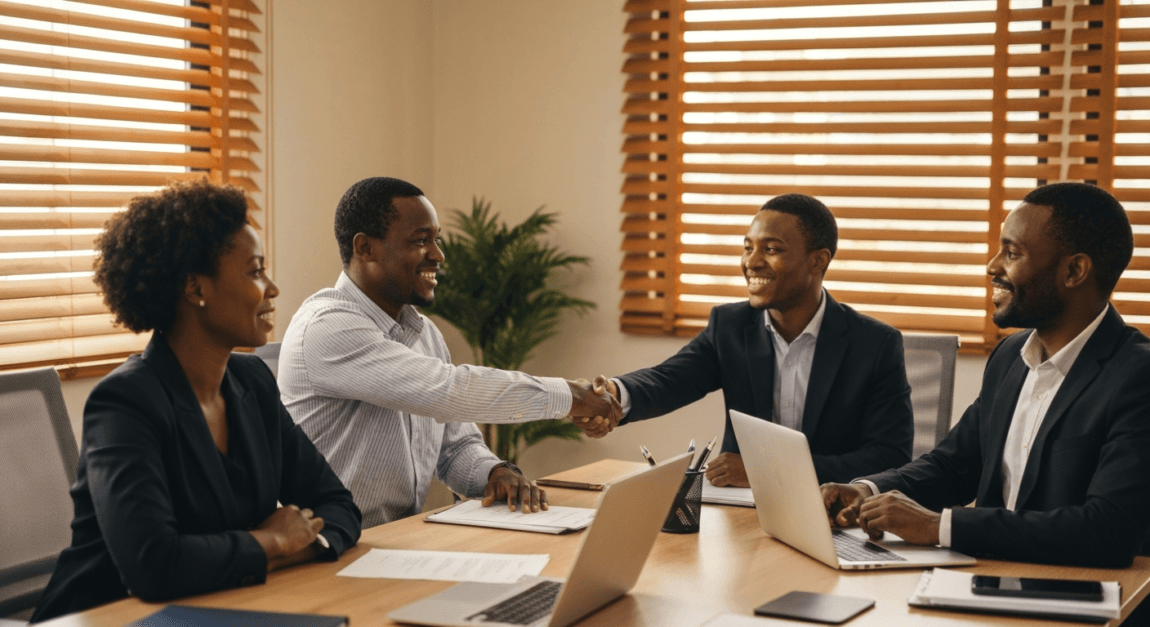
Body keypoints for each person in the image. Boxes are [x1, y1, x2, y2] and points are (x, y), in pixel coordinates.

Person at [30, 180, 362, 623]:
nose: (273, 288)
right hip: (111, 616)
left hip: (220, 605)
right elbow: (154, 564)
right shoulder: (124, 403)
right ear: (195, 289)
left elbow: (338, 504)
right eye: (254, 271)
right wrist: (273, 543)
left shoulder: (252, 382)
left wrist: (287, 549)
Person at [822, 182, 1150, 568]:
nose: (993, 266)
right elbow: (954, 465)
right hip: (991, 578)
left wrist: (939, 527)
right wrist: (867, 489)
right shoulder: (1011, 355)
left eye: (1012, 253)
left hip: (1080, 595)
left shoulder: (1136, 376)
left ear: (1074, 270)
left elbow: (1107, 530)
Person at [278, 177, 620, 528]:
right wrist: (569, 395)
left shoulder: (424, 333)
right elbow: (448, 391)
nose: (438, 255)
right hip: (328, 551)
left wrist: (495, 472)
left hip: (398, 543)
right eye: (420, 241)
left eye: (436, 239)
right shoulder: (326, 327)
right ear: (365, 248)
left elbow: (454, 446)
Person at [594, 194, 914, 486]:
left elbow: (890, 457)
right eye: (748, 247)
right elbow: (669, 379)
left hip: (831, 511)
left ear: (818, 260)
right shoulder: (730, 326)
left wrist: (769, 469)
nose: (751, 262)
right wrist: (612, 394)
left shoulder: (875, 344)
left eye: (771, 249)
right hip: (741, 510)